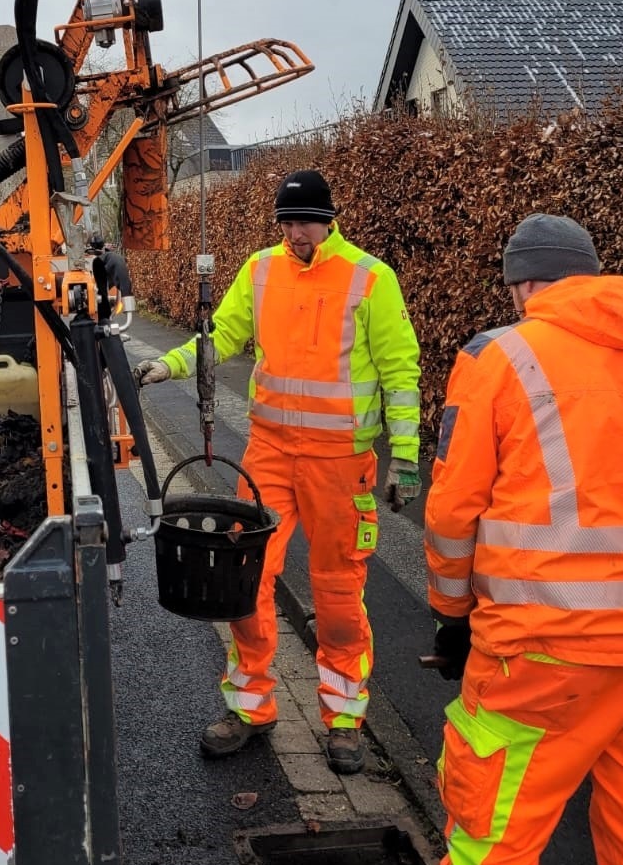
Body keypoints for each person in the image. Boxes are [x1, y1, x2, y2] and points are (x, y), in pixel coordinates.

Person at [412, 214, 623, 865]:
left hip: (542, 656)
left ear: (523, 283)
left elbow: (453, 511)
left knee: (493, 847)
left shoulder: (501, 356)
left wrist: (450, 616)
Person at [134, 169, 421, 775]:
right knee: (244, 578)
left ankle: (344, 720)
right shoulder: (261, 269)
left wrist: (407, 458)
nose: (296, 234)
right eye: (287, 223)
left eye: (306, 221)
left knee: (338, 594)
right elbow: (221, 336)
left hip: (342, 464)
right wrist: (171, 366)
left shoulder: (371, 279)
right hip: (269, 454)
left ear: (330, 220)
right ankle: (251, 706)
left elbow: (401, 372)